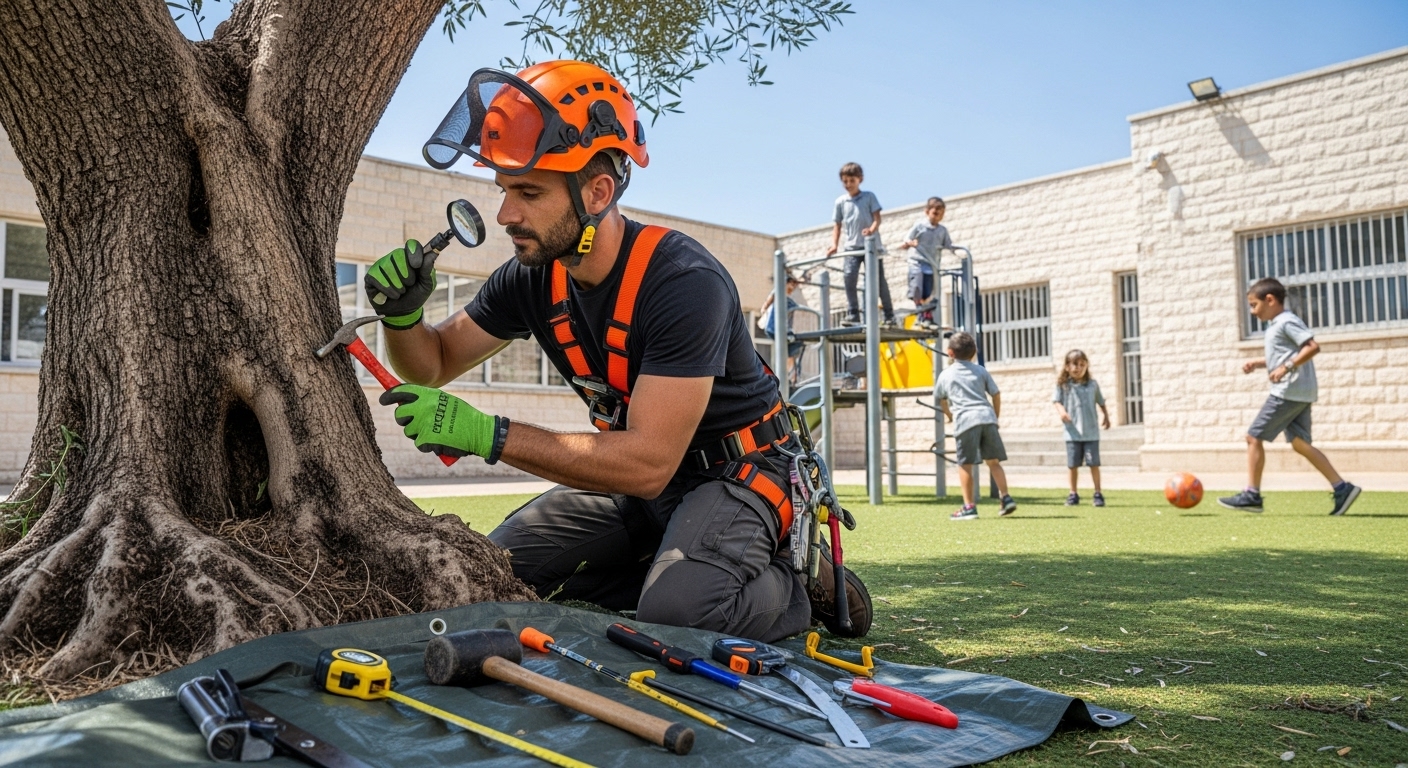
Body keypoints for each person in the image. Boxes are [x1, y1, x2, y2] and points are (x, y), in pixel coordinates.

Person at [367, 60, 872, 642]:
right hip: (640, 487)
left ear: (598, 191)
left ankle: (797, 581)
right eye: (504, 190)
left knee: (682, 614)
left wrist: (491, 435)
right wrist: (402, 317)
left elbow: (649, 462)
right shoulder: (530, 276)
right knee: (498, 569)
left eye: (528, 192)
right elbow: (430, 364)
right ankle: (681, 563)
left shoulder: (685, 280)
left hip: (737, 474)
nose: (506, 214)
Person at [1217, 278, 1361, 516]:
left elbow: (1312, 347)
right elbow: (1286, 355)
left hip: (1287, 391)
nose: (1253, 311)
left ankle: (1251, 495)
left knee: (1253, 437)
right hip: (1300, 392)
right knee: (1300, 444)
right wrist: (1260, 363)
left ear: (1270, 300)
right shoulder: (1277, 325)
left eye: (1254, 305)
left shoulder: (1286, 321)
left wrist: (1286, 369)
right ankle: (1342, 487)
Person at [935, 332, 1017, 520]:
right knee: (993, 462)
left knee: (965, 464)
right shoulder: (981, 370)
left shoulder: (945, 374)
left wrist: (949, 415)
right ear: (974, 353)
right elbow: (995, 394)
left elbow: (941, 400)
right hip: (987, 418)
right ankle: (1005, 497)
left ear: (950, 353)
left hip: (965, 421)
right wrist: (994, 416)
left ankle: (969, 507)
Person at [825, 162, 895, 326]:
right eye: (845, 181)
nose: (848, 184)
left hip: (871, 247)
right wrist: (834, 244)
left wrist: (871, 229)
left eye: (852, 181)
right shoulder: (841, 202)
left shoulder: (869, 197)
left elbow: (877, 218)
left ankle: (889, 314)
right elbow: (837, 225)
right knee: (849, 277)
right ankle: (853, 313)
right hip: (852, 247)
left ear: (859, 180)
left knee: (878, 281)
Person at [1052, 350, 1110, 507]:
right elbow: (1056, 401)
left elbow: (1101, 401)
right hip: (1072, 433)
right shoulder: (1063, 386)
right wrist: (1062, 412)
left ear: (1086, 366)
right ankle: (1073, 493)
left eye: (1082, 364)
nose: (1078, 368)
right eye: (1074, 364)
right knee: (1072, 465)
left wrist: (1106, 416)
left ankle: (1097, 493)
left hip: (1091, 433)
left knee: (1094, 464)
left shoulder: (1093, 385)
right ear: (1067, 367)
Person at [898, 197, 950, 326]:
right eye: (935, 212)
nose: (937, 216)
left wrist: (957, 251)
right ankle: (920, 314)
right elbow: (907, 238)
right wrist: (909, 242)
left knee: (928, 292)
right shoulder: (920, 226)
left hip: (931, 264)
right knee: (917, 287)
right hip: (917, 261)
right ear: (927, 212)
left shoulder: (942, 230)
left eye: (941, 213)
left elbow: (948, 244)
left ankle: (927, 317)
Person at [759, 271, 806, 383]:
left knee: (793, 347)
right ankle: (786, 375)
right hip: (774, 328)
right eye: (792, 285)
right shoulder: (779, 292)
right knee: (793, 345)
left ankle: (788, 374)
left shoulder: (786, 298)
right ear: (786, 283)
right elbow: (767, 303)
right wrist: (764, 311)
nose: (793, 288)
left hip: (780, 329)